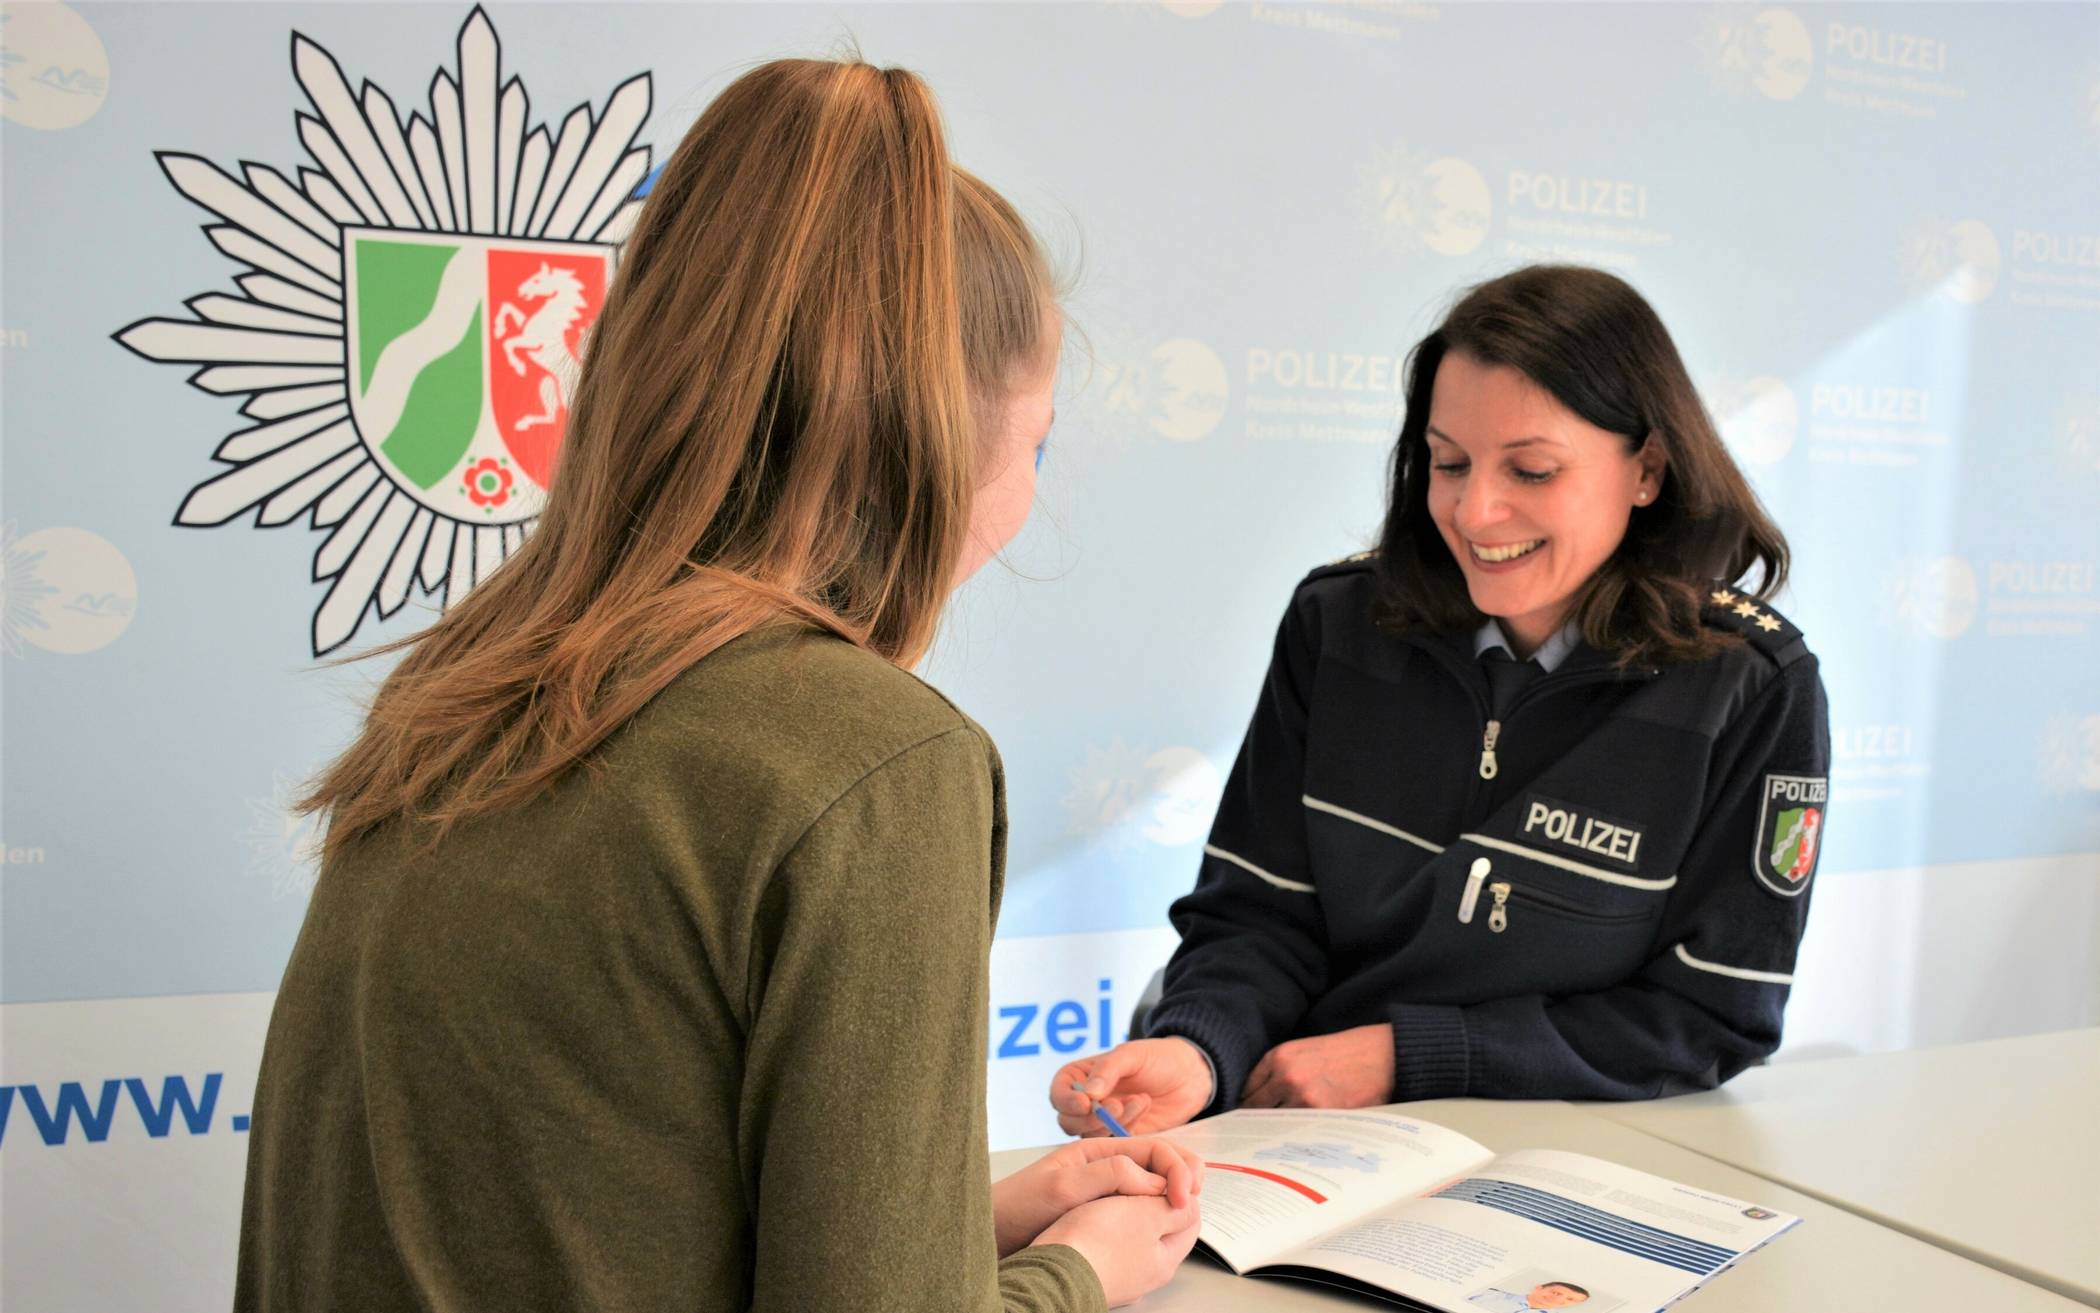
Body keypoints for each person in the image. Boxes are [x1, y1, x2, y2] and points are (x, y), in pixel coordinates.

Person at [234, 58, 1202, 1313]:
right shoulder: (874, 761)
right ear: (934, 437)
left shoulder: (466, 682)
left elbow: (583, 1199)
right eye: (1035, 443)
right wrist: (1079, 1271)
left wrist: (967, 1217)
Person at [1052, 264, 1829, 1132]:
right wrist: (1198, 1049)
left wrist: (1406, 1055)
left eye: (1531, 470)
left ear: (1646, 468)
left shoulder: (1755, 686)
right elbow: (1257, 918)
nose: (1475, 511)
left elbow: (1710, 1016)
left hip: (1563, 1154)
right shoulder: (1334, 624)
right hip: (1297, 1133)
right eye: (1448, 462)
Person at [1469, 1280, 1592, 1311]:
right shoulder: (1488, 1294)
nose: (1558, 1299)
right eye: (1555, 1292)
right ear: (1538, 1288)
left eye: (1570, 1299)